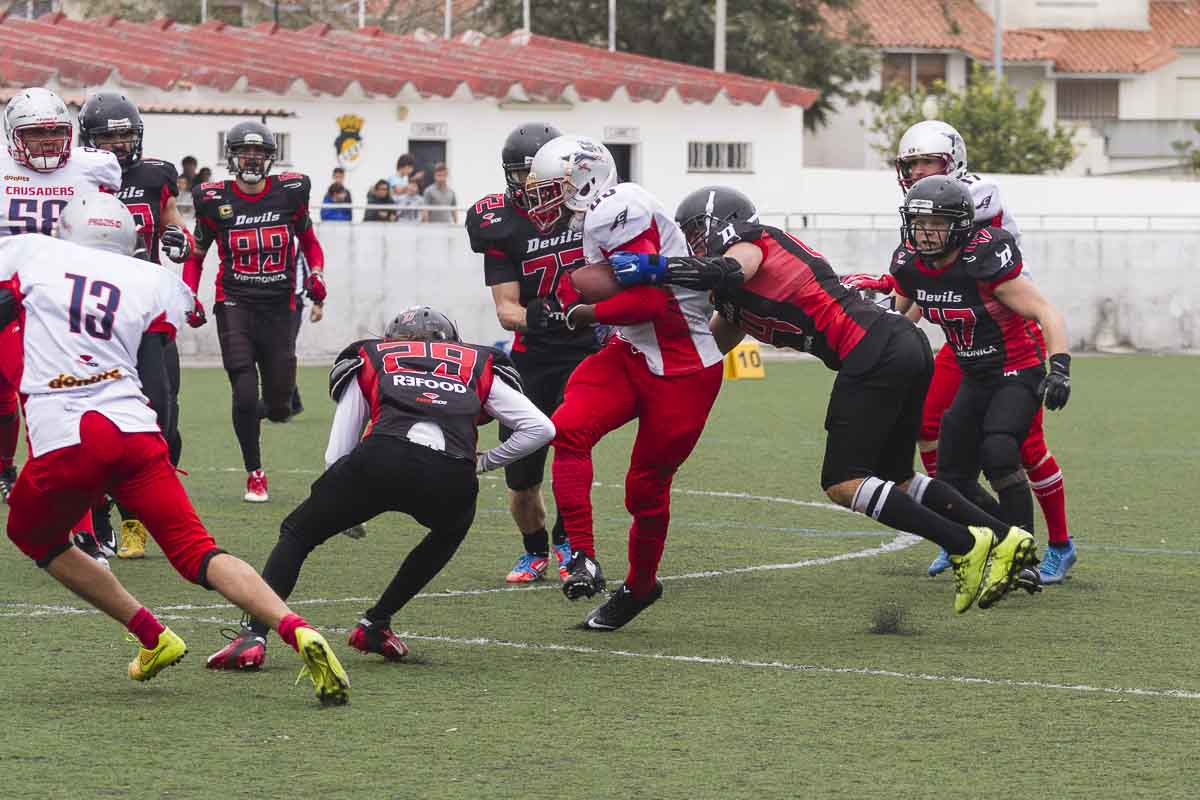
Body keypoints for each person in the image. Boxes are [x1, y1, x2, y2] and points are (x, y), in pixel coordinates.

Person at [613, 184, 1043, 615]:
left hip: (873, 347)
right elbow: (705, 347)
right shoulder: (730, 299)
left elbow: (728, 268)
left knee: (842, 481)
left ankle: (965, 544)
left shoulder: (752, 243)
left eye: (695, 232)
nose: (693, 243)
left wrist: (655, 267)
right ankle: (1006, 536)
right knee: (898, 478)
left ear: (721, 223)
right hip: (897, 345)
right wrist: (640, 349)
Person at [0, 192, 350, 704]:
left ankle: (151, 634)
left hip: (68, 434)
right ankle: (296, 628)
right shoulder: (149, 281)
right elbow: (157, 371)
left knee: (31, 534)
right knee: (199, 553)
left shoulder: (32, 254)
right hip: (136, 431)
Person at [206, 306, 554, 668]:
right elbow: (541, 428)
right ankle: (377, 622)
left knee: (297, 533)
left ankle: (254, 635)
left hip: (380, 458)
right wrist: (483, 462)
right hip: (450, 473)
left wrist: (345, 508)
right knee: (447, 533)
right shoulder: (475, 362)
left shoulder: (373, 354)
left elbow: (337, 451)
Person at [844, 120, 1077, 584]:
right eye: (910, 165)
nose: (917, 173)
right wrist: (884, 339)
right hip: (966, 343)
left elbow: (962, 265)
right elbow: (914, 289)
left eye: (928, 162)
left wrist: (1060, 365)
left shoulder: (976, 201)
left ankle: (1053, 547)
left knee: (1013, 448)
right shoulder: (918, 232)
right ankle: (966, 537)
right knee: (934, 432)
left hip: (1011, 332)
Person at [524, 135, 725, 630]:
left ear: (583, 177)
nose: (543, 198)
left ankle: (640, 587)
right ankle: (582, 557)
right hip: (633, 349)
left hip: (681, 367)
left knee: (645, 490)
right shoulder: (595, 214)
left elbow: (649, 303)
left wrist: (586, 312)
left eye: (552, 187)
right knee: (566, 427)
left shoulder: (617, 207)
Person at [890, 176, 1072, 563]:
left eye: (937, 223)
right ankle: (1006, 539)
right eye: (920, 223)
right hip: (973, 374)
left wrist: (1060, 367)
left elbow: (1046, 311)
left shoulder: (982, 261)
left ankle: (1021, 559)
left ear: (959, 225)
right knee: (952, 479)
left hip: (1017, 368)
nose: (925, 233)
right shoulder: (911, 266)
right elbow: (897, 319)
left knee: (1001, 450)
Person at [467, 122, 601, 584]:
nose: (529, 184)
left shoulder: (591, 207)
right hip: (533, 355)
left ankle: (568, 542)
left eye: (536, 173)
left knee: (569, 446)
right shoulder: (500, 224)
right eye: (520, 174)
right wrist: (548, 318)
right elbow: (507, 310)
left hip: (587, 351)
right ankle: (533, 549)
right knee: (521, 474)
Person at [0, 86, 122, 566]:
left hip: (62, 299)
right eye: (37, 134)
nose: (49, 144)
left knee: (51, 408)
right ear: (14, 136)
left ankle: (82, 529)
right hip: (7, 295)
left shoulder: (94, 168)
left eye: (56, 133)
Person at [183, 120, 328, 503]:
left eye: (259, 153)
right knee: (244, 391)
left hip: (280, 305)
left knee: (279, 405)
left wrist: (316, 274)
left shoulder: (290, 193)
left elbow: (310, 242)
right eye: (245, 152)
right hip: (235, 303)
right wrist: (189, 295)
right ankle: (255, 472)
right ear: (232, 157)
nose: (251, 159)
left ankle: (266, 412)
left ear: (270, 158)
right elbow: (198, 255)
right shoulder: (213, 198)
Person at [79, 91, 195, 561]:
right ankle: (101, 517)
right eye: (107, 137)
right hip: (95, 315)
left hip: (147, 310)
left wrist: (181, 243)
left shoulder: (155, 176)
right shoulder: (75, 179)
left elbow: (176, 228)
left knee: (163, 420)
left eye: (125, 136)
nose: (118, 146)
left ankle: (135, 515)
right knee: (94, 423)